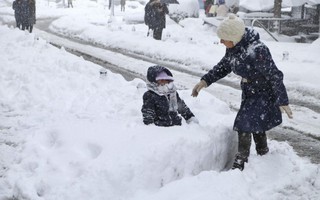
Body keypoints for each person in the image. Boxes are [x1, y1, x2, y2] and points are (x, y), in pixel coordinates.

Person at [191, 14, 293, 171]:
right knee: (255, 122)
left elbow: (274, 75)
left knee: (244, 122)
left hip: (263, 92)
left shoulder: (257, 51)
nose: (221, 41)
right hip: (249, 91)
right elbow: (223, 66)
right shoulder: (233, 49)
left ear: (234, 37)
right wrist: (205, 81)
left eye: (224, 38)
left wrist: (283, 100)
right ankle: (263, 154)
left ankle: (241, 161)